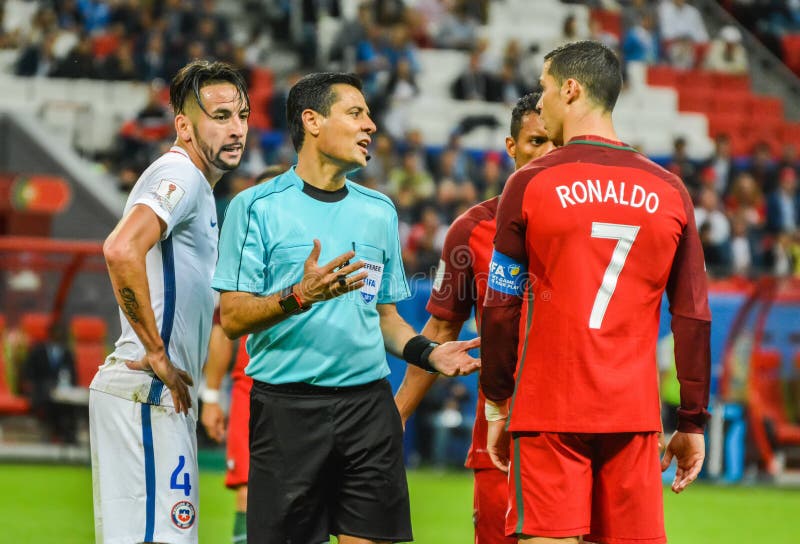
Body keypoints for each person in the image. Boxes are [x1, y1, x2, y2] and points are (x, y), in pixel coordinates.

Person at [212, 71, 481, 544]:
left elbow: (384, 318)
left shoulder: (378, 210)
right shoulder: (254, 207)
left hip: (367, 407)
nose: (370, 126)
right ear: (312, 122)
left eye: (369, 115)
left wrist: (426, 353)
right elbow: (233, 318)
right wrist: (300, 296)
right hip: (287, 411)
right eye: (356, 113)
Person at [481, 41, 711, 544]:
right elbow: (692, 314)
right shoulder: (670, 189)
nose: (538, 104)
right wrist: (692, 419)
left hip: (548, 411)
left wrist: (497, 402)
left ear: (570, 88)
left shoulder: (529, 182)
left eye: (543, 89)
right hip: (632, 415)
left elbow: (500, 306)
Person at [89, 59, 249, 544]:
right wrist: (156, 352)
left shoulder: (198, 188)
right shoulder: (179, 174)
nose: (236, 128)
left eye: (241, 115)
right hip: (148, 391)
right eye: (220, 117)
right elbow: (120, 249)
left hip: (156, 397)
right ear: (184, 125)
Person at [395, 91, 554, 544]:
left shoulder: (594, 229)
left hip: (577, 422)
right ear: (511, 148)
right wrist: (398, 413)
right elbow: (442, 328)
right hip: (499, 421)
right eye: (535, 142)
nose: (545, 155)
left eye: (555, 144)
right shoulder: (473, 230)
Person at [200, 166, 283, 544]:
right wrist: (212, 397)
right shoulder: (240, 257)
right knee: (248, 490)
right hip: (252, 389)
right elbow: (222, 329)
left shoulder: (310, 252)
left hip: (309, 389)